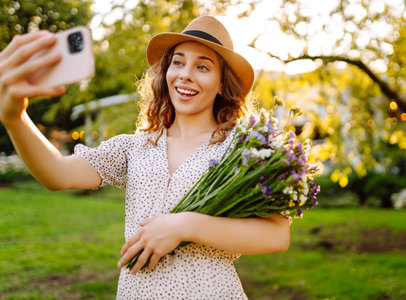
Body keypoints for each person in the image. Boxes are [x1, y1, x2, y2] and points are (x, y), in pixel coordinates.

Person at [0, 16, 290, 299]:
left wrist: (184, 225)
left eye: (203, 66)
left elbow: (277, 236)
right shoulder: (134, 148)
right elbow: (58, 174)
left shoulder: (240, 151)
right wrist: (15, 117)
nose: (185, 73)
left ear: (222, 84)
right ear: (166, 72)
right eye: (178, 62)